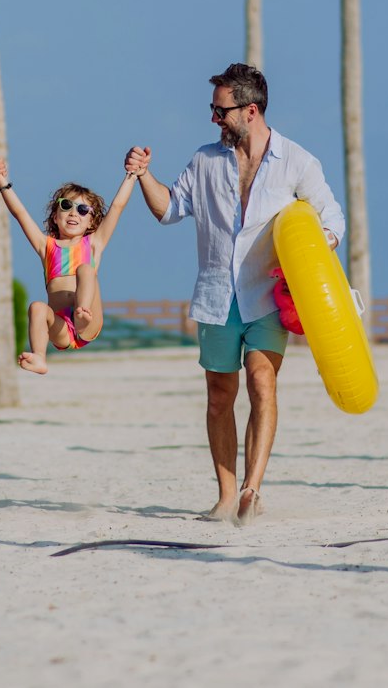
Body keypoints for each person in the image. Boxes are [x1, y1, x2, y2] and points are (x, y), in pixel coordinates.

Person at [125, 63, 345, 526]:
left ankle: (252, 489)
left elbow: (333, 221)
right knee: (218, 395)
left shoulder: (298, 162)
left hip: (266, 295)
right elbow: (170, 210)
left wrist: (311, 250)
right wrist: (144, 175)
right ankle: (226, 496)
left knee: (261, 383)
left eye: (220, 110)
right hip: (215, 295)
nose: (213, 119)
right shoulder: (205, 160)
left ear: (250, 110)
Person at [0, 159, 138, 374]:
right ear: (55, 216)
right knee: (37, 307)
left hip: (88, 321)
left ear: (92, 222)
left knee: (85, 269)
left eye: (83, 209)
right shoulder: (45, 246)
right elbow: (19, 213)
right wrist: (0, 178)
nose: (74, 213)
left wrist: (132, 175)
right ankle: (39, 357)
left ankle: (82, 310)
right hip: (62, 328)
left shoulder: (93, 243)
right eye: (67, 206)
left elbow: (117, 207)